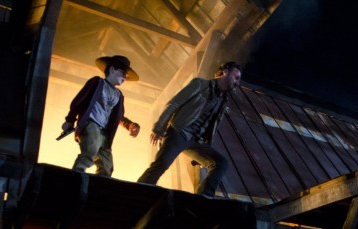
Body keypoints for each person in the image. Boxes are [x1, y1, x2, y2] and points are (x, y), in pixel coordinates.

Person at [137, 62, 242, 197]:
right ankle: (137, 191)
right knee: (161, 164)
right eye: (236, 77)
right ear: (225, 72)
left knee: (220, 163)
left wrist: (206, 145)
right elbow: (174, 104)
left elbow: (211, 124)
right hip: (180, 132)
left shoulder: (223, 99)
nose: (237, 82)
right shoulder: (200, 84)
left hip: (197, 141)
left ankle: (203, 198)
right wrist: (159, 128)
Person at [61, 55, 140, 176]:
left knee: (106, 165)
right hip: (91, 124)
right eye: (122, 72)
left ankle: (98, 185)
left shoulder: (119, 95)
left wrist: (129, 125)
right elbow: (79, 100)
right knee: (90, 151)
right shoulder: (97, 83)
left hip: (104, 132)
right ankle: (76, 178)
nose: (125, 77)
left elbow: (117, 116)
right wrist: (70, 120)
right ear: (112, 69)